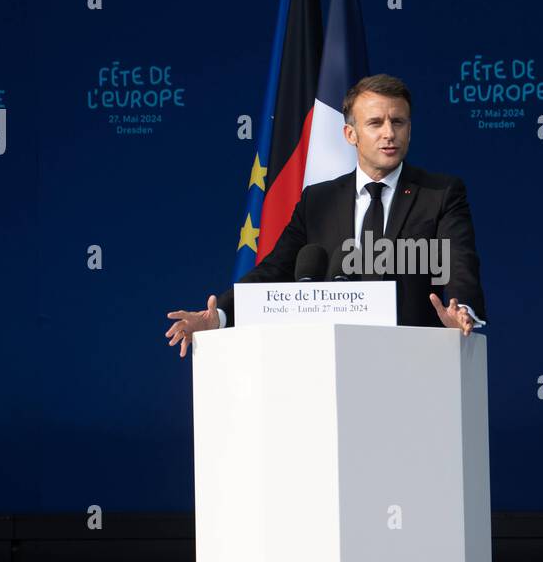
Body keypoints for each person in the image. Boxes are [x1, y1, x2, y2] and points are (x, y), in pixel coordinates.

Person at [165, 74, 486, 358]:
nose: (389, 133)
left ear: (410, 129)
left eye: (398, 122)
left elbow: (459, 260)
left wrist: (463, 309)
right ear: (350, 134)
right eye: (375, 123)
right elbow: (275, 269)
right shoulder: (318, 200)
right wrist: (218, 314)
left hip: (414, 359)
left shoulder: (440, 193)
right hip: (331, 361)